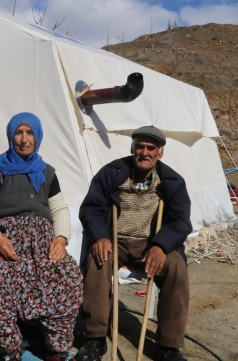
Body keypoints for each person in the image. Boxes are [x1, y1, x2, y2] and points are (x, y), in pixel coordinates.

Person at [0, 112, 83, 361]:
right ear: (11, 137)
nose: (23, 139)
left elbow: (59, 209)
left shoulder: (47, 172)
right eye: (18, 133)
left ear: (38, 136)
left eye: (29, 132)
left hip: (41, 241)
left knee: (68, 276)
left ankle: (56, 348)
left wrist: (61, 239)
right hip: (3, 238)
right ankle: (10, 348)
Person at [76, 126, 192, 361]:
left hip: (152, 244)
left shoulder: (172, 181)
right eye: (140, 146)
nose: (145, 152)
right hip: (114, 240)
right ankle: (95, 340)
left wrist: (161, 246)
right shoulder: (111, 172)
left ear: (160, 153)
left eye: (151, 148)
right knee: (98, 260)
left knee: (176, 266)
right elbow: (91, 209)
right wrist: (100, 236)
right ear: (132, 148)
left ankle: (168, 346)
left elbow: (180, 221)